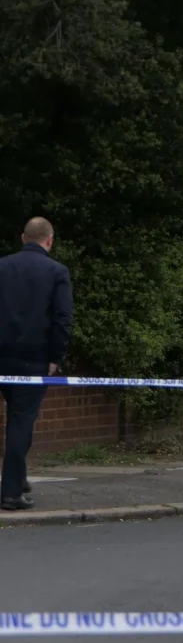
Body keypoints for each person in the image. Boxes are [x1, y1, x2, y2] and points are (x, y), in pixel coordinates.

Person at [0, 218, 73, 511]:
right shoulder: (57, 272)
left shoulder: (2, 266)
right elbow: (62, 318)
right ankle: (11, 493)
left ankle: (17, 479)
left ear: (23, 237)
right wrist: (56, 357)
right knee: (21, 422)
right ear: (50, 240)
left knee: (20, 422)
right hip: (33, 360)